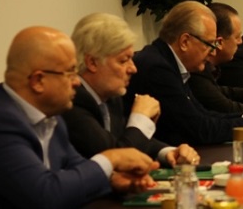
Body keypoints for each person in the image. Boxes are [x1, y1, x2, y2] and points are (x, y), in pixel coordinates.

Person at [0, 27, 156, 209]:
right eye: (69, 73)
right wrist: (111, 159)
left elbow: (77, 168)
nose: (77, 81)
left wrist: (113, 181)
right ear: (38, 81)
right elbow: (46, 195)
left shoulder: (52, 117)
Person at [125, 1, 243, 145]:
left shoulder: (168, 61)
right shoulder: (157, 68)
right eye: (209, 44)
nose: (213, 51)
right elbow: (198, 128)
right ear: (185, 42)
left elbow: (202, 114)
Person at [63, 13, 200, 166]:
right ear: (92, 62)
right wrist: (141, 118)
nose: (133, 69)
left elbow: (125, 138)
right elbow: (118, 159)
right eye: (123, 61)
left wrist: (168, 152)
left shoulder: (111, 97)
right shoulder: (72, 101)